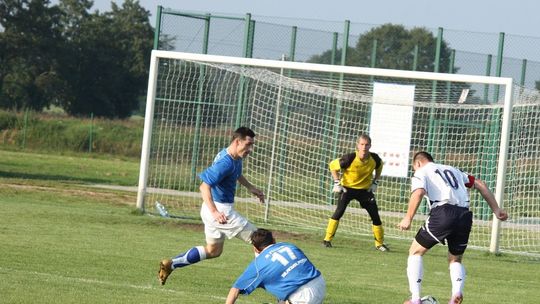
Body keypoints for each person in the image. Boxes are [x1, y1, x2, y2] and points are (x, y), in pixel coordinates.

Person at [158, 126, 265, 285]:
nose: (250, 149)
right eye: (248, 145)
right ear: (237, 141)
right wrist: (215, 212)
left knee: (213, 251)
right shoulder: (225, 163)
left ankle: (171, 264)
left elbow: (236, 173)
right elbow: (204, 186)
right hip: (220, 212)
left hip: (212, 210)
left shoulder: (234, 157)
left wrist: (250, 187)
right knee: (262, 240)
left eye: (252, 145)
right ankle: (264, 277)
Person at [398, 151, 508, 304]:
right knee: (455, 259)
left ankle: (416, 299)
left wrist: (408, 218)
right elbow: (480, 184)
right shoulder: (454, 170)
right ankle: (457, 291)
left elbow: (418, 192)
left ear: (417, 163)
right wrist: (496, 209)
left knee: (415, 252)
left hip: (443, 212)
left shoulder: (421, 171)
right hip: (464, 215)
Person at [322, 133, 388, 251]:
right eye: (362, 144)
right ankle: (327, 240)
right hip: (347, 189)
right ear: (357, 145)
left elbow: (380, 167)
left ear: (370, 146)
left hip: (364, 191)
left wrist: (375, 182)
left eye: (366, 145)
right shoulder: (350, 158)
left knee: (375, 216)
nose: (364, 147)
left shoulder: (375, 159)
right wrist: (337, 182)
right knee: (339, 212)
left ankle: (379, 244)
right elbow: (332, 166)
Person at [225, 228, 326, 304]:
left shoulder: (257, 265)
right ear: (273, 240)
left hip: (301, 296)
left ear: (255, 249)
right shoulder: (289, 245)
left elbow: (235, 290)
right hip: (319, 282)